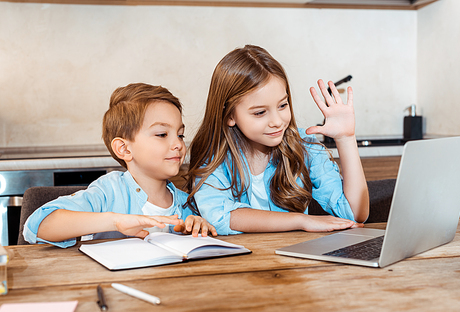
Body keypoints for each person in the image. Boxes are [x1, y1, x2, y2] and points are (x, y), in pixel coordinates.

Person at [186, 45, 369, 236]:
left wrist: (346, 139)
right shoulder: (214, 157)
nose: (277, 121)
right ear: (229, 115)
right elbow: (220, 217)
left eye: (283, 105)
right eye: (260, 112)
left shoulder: (304, 146)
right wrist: (301, 220)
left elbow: (354, 214)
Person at [24, 83, 217, 248]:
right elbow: (38, 225)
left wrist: (199, 226)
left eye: (180, 135)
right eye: (162, 134)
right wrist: (116, 221)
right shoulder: (109, 191)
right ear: (124, 149)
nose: (178, 144)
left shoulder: (188, 203)